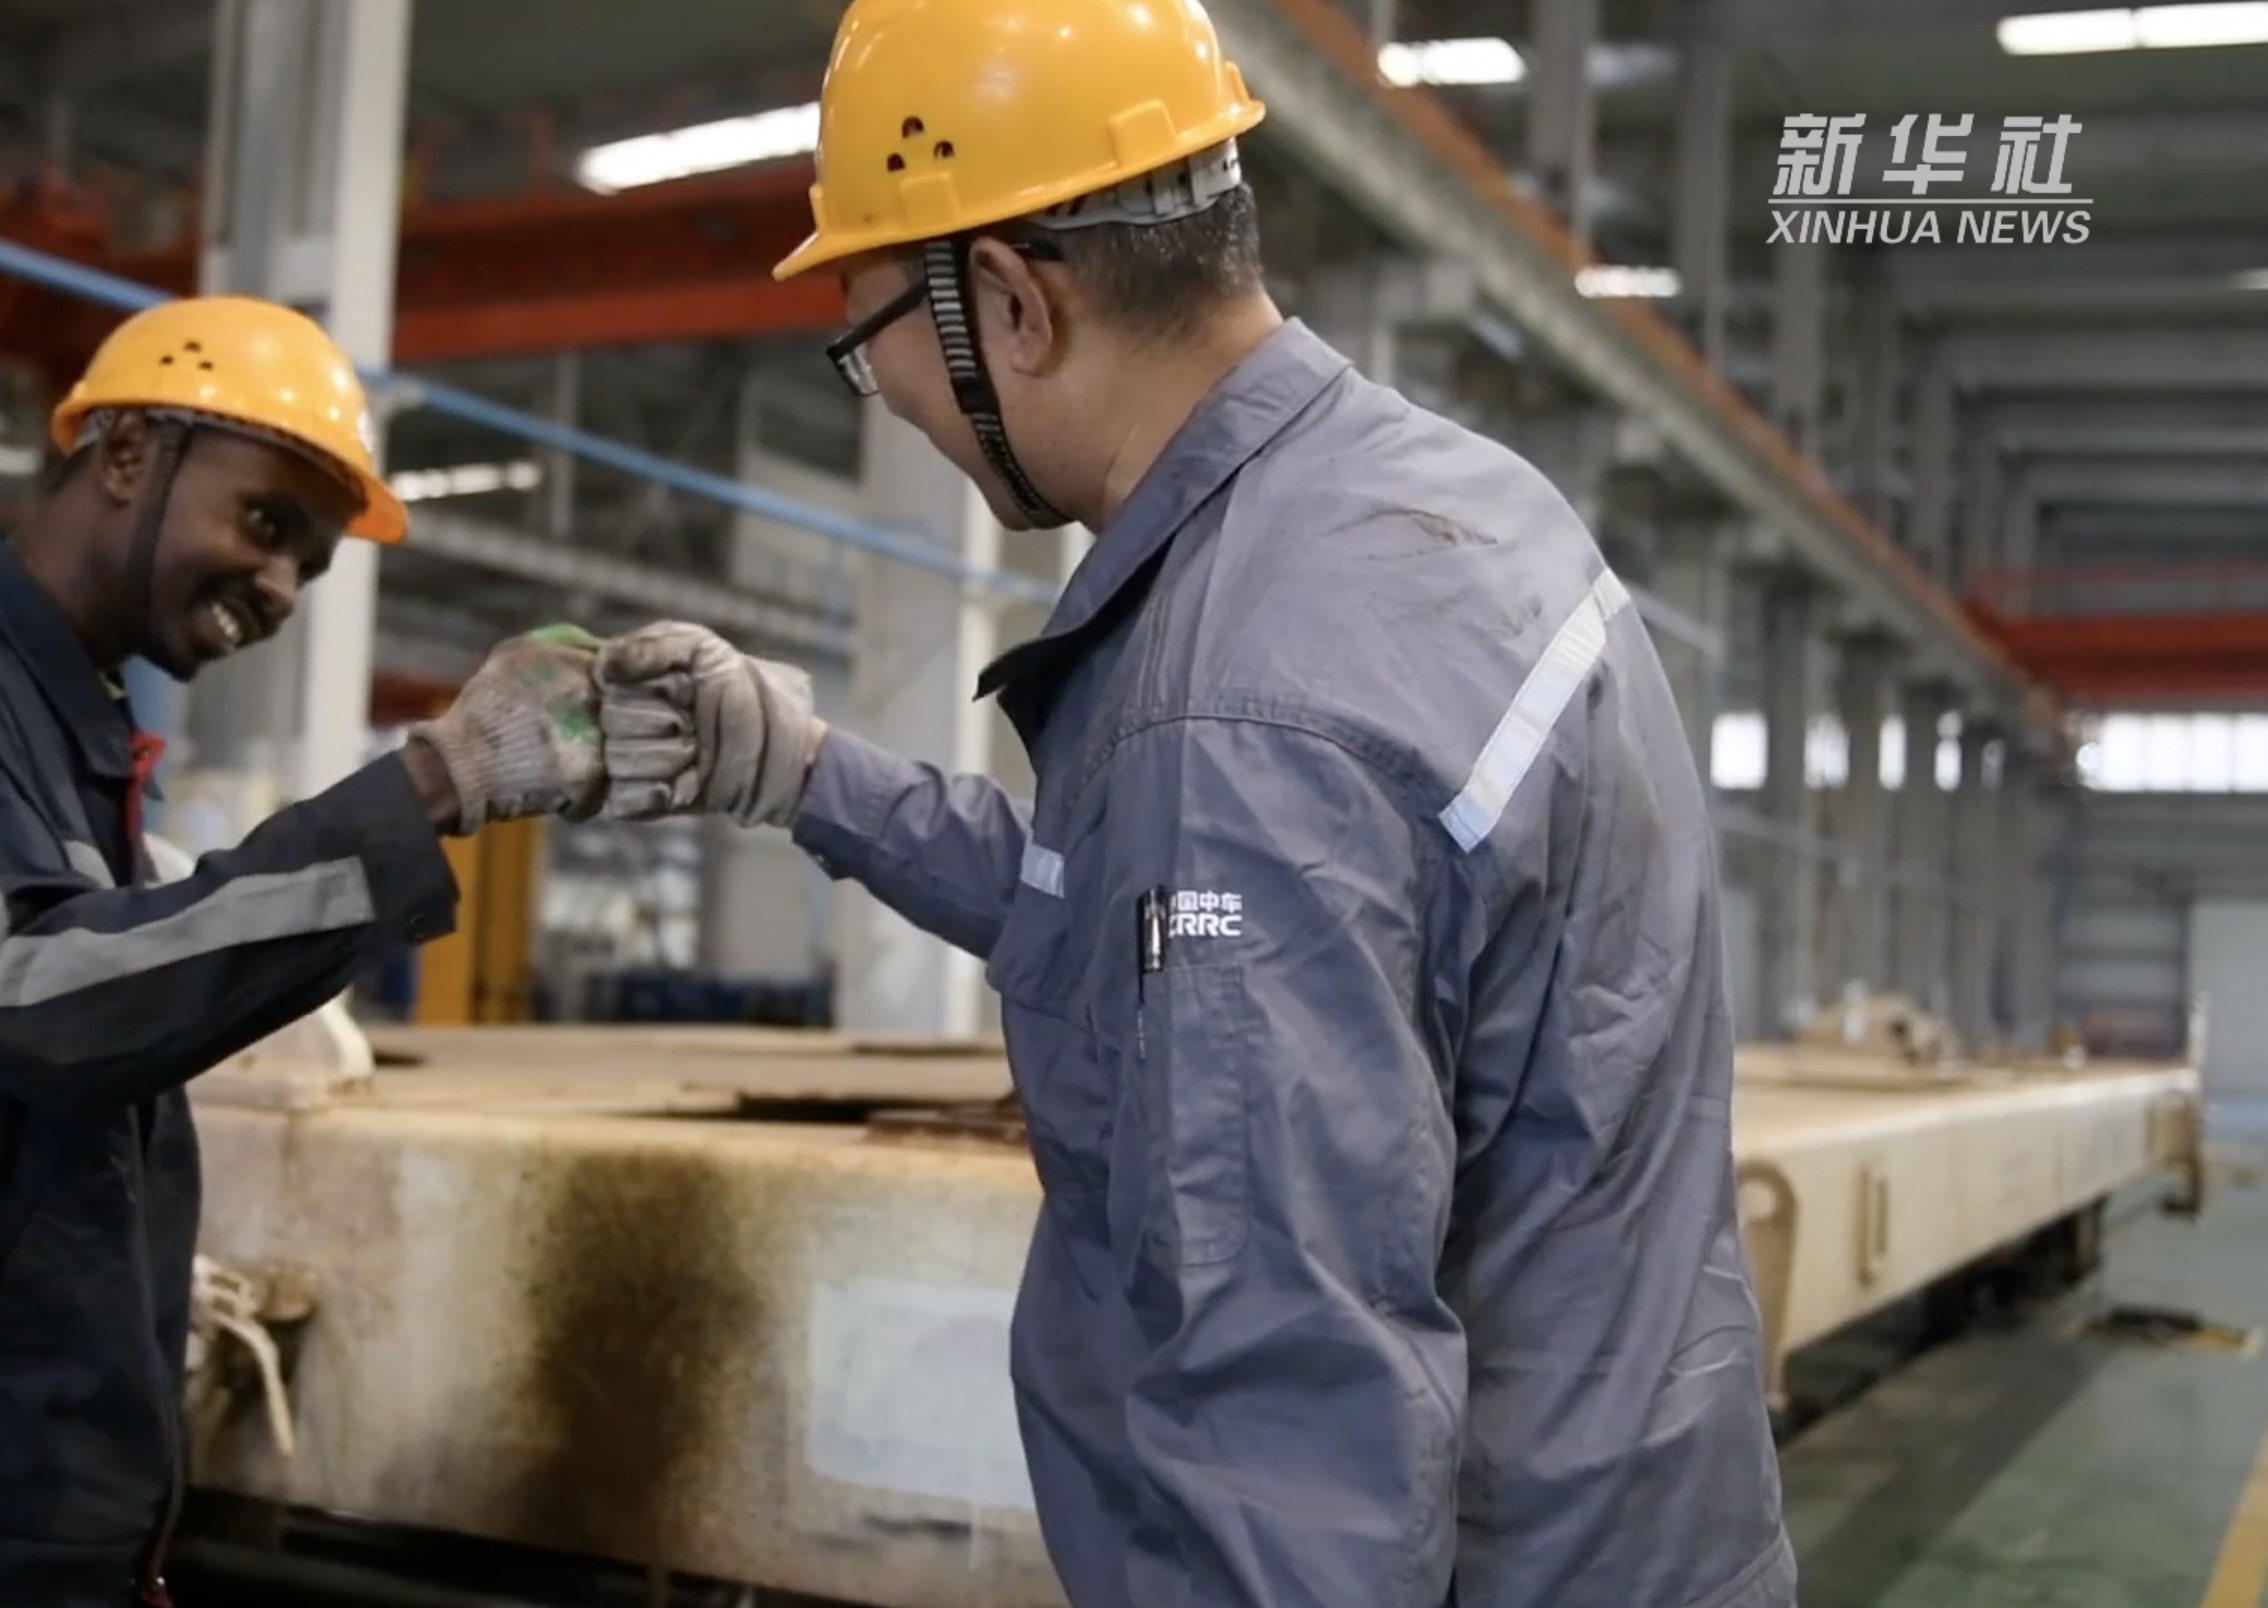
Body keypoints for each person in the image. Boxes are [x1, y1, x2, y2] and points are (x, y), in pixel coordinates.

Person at [592, 3, 1795, 1606]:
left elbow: (1280, 1426)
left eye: (869, 347)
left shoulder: (1235, 712)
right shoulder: (1452, 509)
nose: (894, 400)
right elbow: (1139, 910)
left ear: (1009, 303)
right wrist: (808, 775)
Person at [0, 294, 609, 1608]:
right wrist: (431, 784)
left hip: (5, 1539)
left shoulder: (70, 739)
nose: (282, 588)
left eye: (311, 566)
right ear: (131, 453)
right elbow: (33, 991)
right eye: (266, 522)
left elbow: (108, 1017)